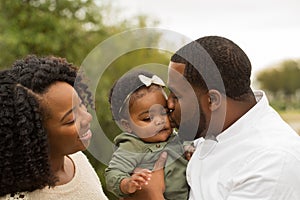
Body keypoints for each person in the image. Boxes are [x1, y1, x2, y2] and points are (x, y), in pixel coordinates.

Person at [137, 36, 300, 199]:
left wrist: (153, 195)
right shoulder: (214, 128)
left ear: (213, 100)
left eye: (177, 96)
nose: (169, 104)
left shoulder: (271, 163)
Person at [0, 55, 109, 200]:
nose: (87, 117)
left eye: (81, 104)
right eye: (71, 120)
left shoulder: (77, 160)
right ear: (35, 135)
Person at [105, 69, 189, 200]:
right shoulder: (131, 146)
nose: (159, 121)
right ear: (127, 125)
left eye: (164, 112)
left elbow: (191, 143)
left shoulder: (177, 137)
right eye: (148, 118)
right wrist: (127, 183)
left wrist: (190, 149)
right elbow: (113, 173)